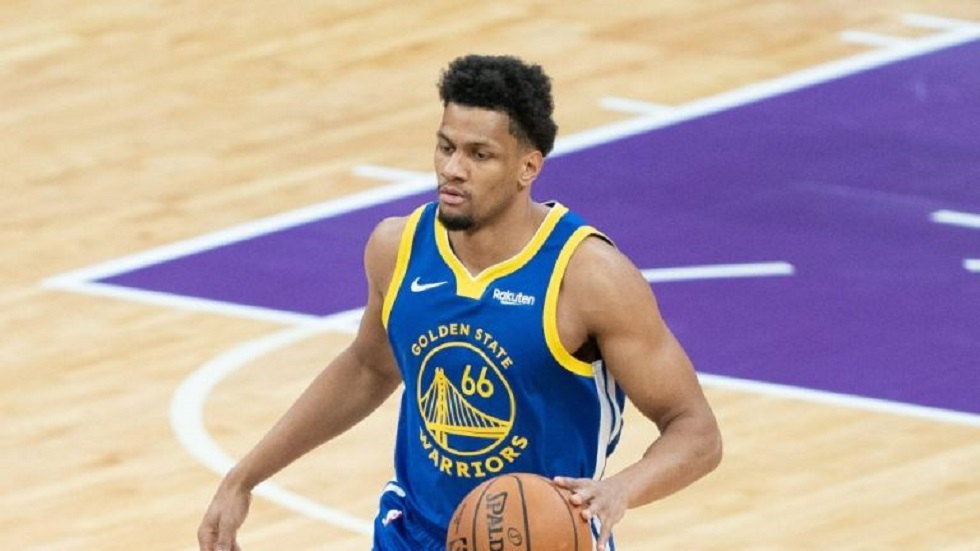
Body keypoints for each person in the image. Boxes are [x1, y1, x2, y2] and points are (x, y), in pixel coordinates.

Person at [198, 54, 722, 551]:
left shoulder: (588, 278)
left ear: (527, 168)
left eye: (479, 155)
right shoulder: (398, 247)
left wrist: (619, 490)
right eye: (445, 147)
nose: (453, 168)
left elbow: (696, 432)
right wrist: (244, 477)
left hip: (543, 537)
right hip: (413, 534)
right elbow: (368, 367)